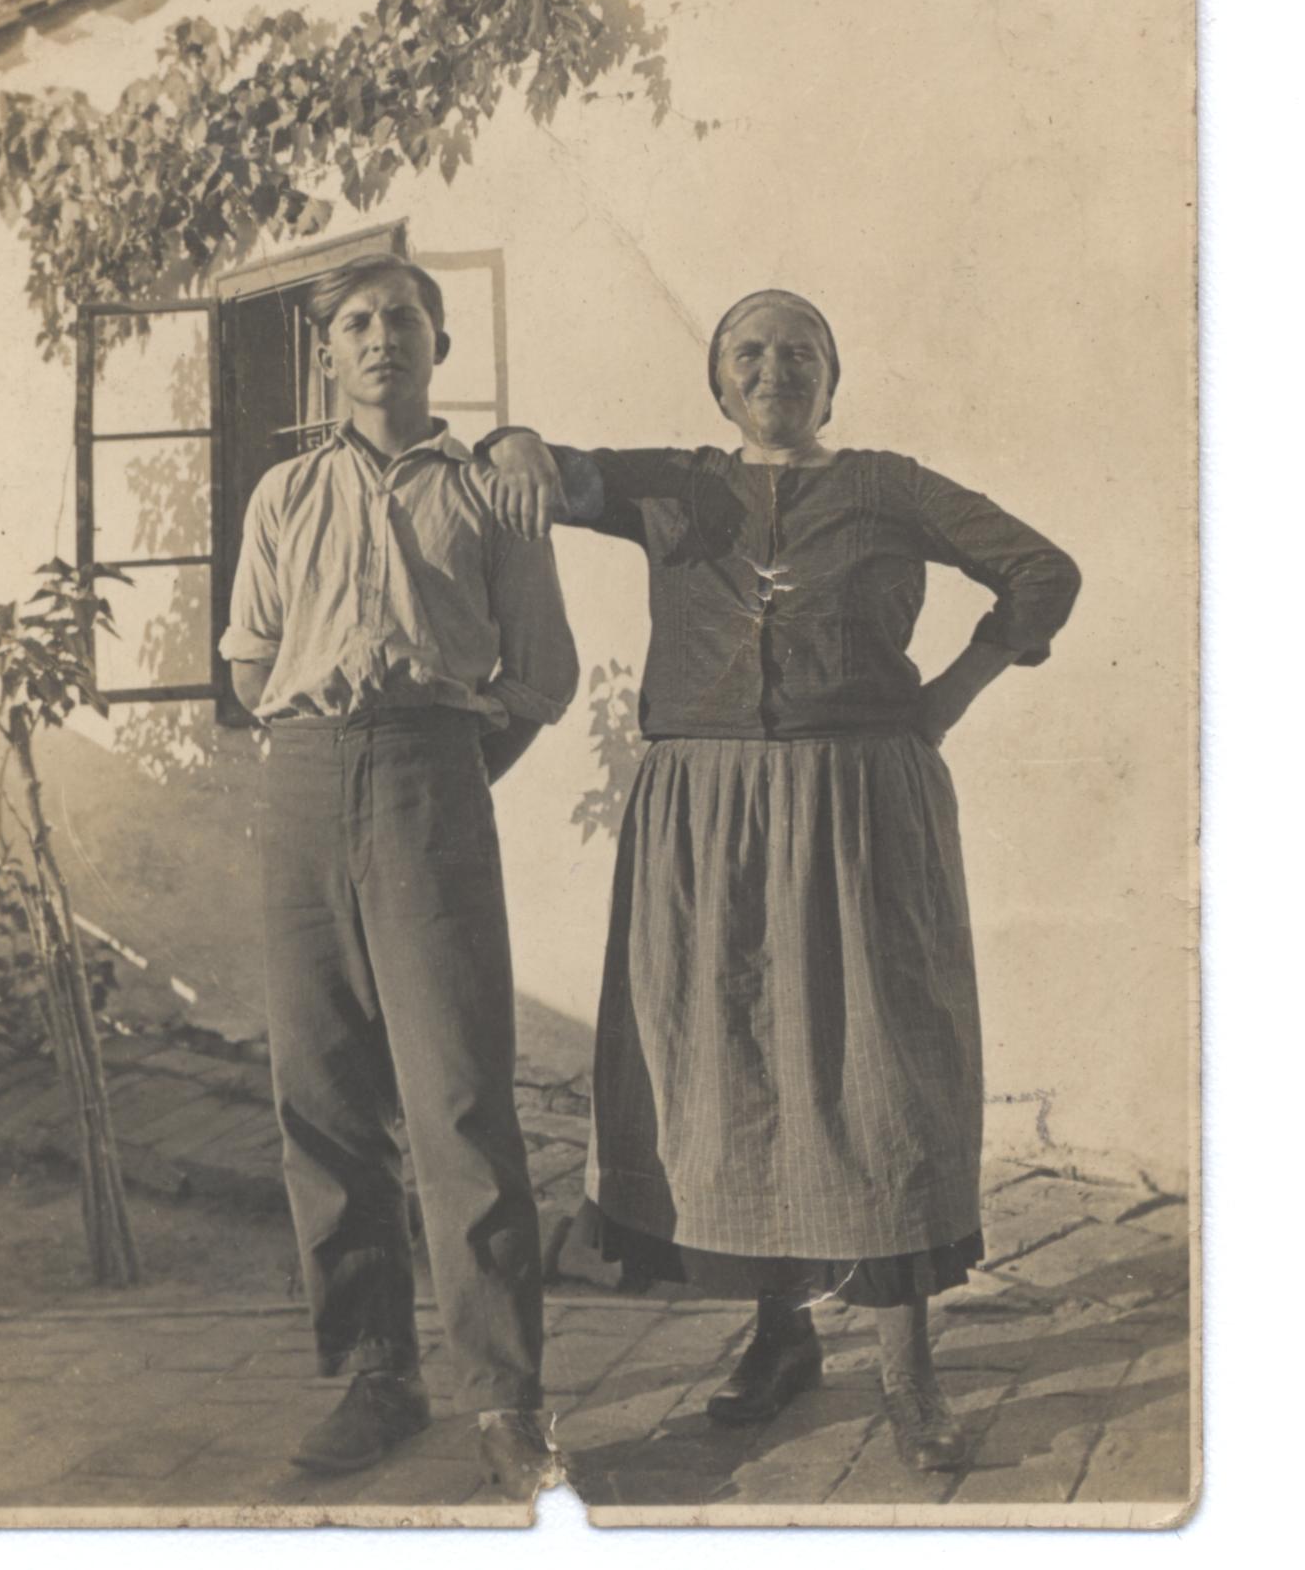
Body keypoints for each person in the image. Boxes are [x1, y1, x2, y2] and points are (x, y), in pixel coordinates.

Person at [477, 288, 1080, 1473]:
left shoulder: (888, 487)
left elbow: (1040, 571)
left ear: (831, 378)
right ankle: (780, 1334)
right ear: (716, 380)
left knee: (878, 1068)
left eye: (799, 351)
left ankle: (906, 1370)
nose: (772, 369)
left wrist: (946, 696)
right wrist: (511, 442)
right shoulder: (673, 483)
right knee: (738, 1066)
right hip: (702, 815)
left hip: (858, 807)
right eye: (747, 351)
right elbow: (563, 475)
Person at [221, 254, 578, 1496]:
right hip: (304, 780)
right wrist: (328, 747)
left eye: (404, 319)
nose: (382, 337)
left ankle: (506, 1397)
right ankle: (379, 1373)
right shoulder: (282, 492)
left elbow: (540, 672)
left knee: (458, 1095)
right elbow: (249, 661)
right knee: (320, 1093)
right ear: (327, 352)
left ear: (439, 343)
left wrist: (449, 766)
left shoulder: (488, 491)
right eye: (358, 322)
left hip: (434, 777)